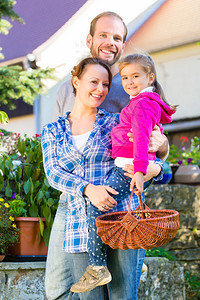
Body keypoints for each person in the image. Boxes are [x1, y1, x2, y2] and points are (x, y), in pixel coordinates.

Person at [45, 12, 169, 300]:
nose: (99, 90)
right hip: (74, 202)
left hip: (120, 197)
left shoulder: (134, 87)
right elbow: (57, 157)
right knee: (57, 289)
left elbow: (154, 148)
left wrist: (160, 149)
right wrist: (87, 189)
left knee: (122, 292)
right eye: (104, 35)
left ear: (123, 45)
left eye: (117, 38)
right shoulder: (65, 93)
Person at [70, 53, 176, 294]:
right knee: (124, 207)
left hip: (130, 167)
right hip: (133, 166)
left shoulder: (141, 103)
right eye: (124, 77)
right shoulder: (143, 101)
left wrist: (140, 171)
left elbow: (141, 138)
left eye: (135, 76)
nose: (128, 82)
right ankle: (133, 260)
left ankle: (97, 267)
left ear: (150, 77)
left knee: (98, 207)